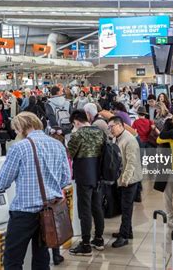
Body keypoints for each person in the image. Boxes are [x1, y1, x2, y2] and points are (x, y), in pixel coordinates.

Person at [0, 112, 71, 269]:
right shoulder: (58, 144)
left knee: (13, 258)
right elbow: (65, 179)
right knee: (41, 257)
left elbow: (4, 181)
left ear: (22, 127)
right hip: (49, 211)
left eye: (15, 129)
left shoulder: (19, 147)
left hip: (24, 212)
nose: (15, 133)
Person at [68, 110, 106, 256]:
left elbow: (70, 153)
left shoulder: (78, 134)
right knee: (97, 207)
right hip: (98, 174)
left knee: (85, 210)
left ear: (77, 121)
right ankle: (99, 239)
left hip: (84, 175)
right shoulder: (100, 132)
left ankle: (85, 244)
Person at [107, 116, 143, 247]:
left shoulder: (129, 140)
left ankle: (124, 236)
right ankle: (128, 231)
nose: (110, 130)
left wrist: (125, 180)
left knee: (126, 208)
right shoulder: (118, 137)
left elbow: (131, 163)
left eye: (112, 127)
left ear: (120, 125)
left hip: (129, 180)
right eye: (109, 128)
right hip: (122, 178)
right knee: (124, 207)